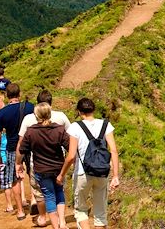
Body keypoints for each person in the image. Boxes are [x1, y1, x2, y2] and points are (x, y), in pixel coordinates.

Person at [17, 90, 71, 227]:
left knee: (48, 196)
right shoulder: (59, 128)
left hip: (40, 168)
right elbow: (71, 145)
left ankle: (53, 224)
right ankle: (63, 222)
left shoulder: (31, 130)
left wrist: (18, 163)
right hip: (59, 167)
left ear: (37, 114)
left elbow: (21, 148)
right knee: (59, 192)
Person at [67, 97, 120, 229]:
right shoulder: (105, 125)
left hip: (82, 172)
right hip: (102, 172)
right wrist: (115, 176)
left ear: (79, 112)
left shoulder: (75, 127)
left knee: (81, 209)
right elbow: (113, 150)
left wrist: (62, 174)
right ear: (93, 110)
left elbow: (71, 155)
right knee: (101, 213)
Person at [0, 83, 35, 220]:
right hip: (31, 146)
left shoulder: (2, 113)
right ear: (19, 94)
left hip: (12, 148)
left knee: (15, 179)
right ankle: (34, 200)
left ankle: (21, 211)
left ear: (6, 95)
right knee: (33, 173)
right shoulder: (30, 107)